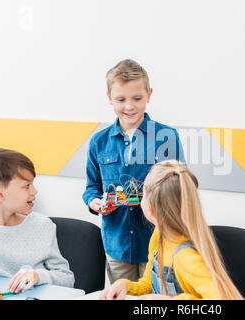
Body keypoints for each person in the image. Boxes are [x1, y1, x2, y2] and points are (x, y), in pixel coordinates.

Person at [82, 59, 185, 284]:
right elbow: (91, 188)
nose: (129, 106)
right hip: (117, 245)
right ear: (109, 98)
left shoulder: (166, 137)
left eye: (137, 98)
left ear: (149, 95)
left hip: (158, 243)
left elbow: (181, 187)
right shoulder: (99, 142)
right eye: (121, 99)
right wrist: (94, 203)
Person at [99, 160, 243, 300]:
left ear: (150, 209)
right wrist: (125, 285)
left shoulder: (185, 257)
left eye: (143, 195)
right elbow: (149, 285)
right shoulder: (159, 235)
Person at [0, 148, 74, 300]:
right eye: (27, 186)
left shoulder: (43, 225)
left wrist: (39, 276)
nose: (34, 191)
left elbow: (67, 279)